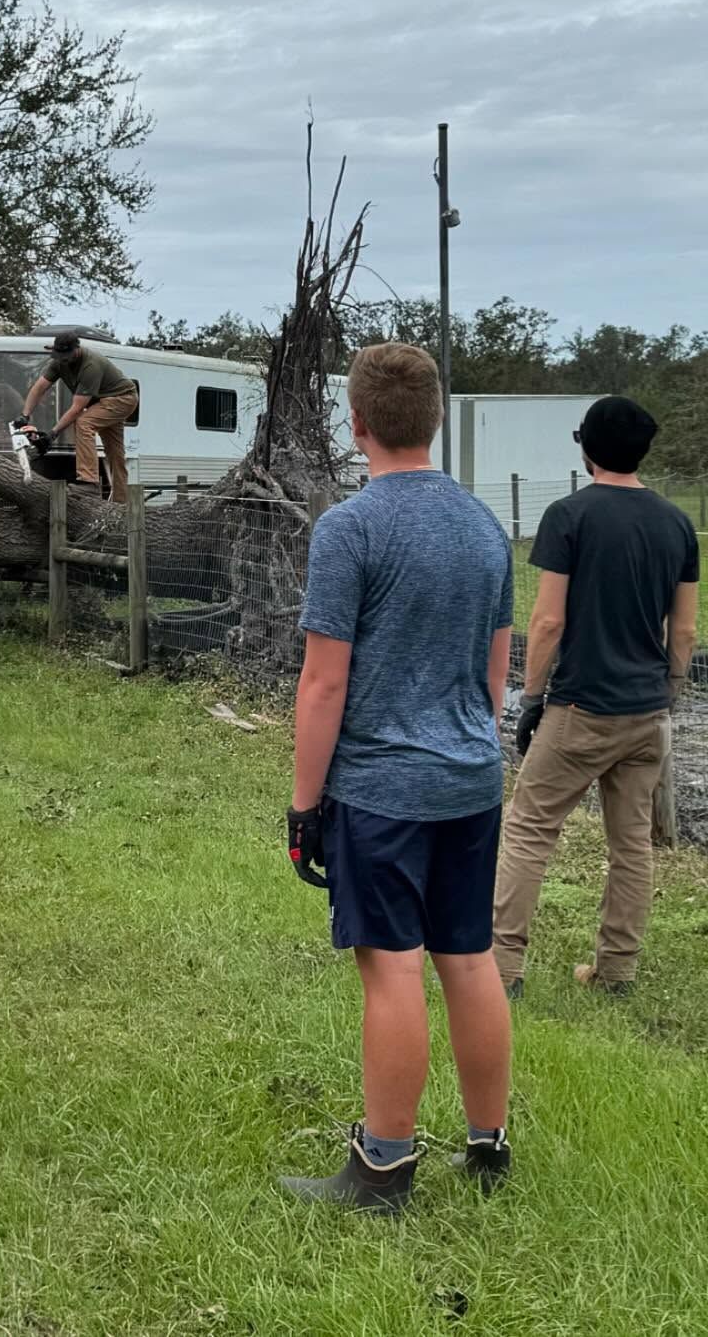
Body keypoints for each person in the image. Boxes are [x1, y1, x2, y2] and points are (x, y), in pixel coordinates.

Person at [280, 344, 516, 1215]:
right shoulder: (486, 528)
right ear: (437, 419)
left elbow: (323, 682)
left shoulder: (351, 529)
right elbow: (496, 678)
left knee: (392, 970)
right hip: (471, 779)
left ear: (358, 425)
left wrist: (305, 806)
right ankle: (488, 1146)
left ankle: (382, 1168)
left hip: (383, 790)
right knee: (469, 955)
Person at [493, 397, 699, 998]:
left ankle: (503, 969)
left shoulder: (569, 516)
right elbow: (682, 631)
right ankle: (616, 970)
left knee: (530, 830)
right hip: (647, 715)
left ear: (586, 449)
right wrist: (669, 694)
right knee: (631, 844)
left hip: (581, 709)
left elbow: (549, 622)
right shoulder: (676, 523)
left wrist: (531, 699)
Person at [22, 334, 139, 503]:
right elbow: (39, 387)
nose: (63, 360)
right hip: (102, 401)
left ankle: (89, 483)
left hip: (123, 399)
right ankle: (121, 505)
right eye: (60, 356)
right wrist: (24, 415)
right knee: (115, 453)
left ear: (76, 350)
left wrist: (52, 434)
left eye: (66, 356)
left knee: (84, 423)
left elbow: (77, 408)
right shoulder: (58, 362)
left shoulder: (90, 366)